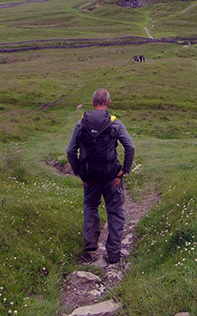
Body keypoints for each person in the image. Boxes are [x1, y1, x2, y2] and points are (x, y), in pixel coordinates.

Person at [66, 88, 135, 264]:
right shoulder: (115, 123)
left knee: (90, 206)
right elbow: (130, 147)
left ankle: (90, 241)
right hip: (112, 177)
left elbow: (70, 151)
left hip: (89, 177)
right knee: (115, 213)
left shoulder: (81, 123)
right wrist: (123, 171)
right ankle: (113, 254)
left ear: (93, 103)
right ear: (108, 103)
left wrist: (80, 173)